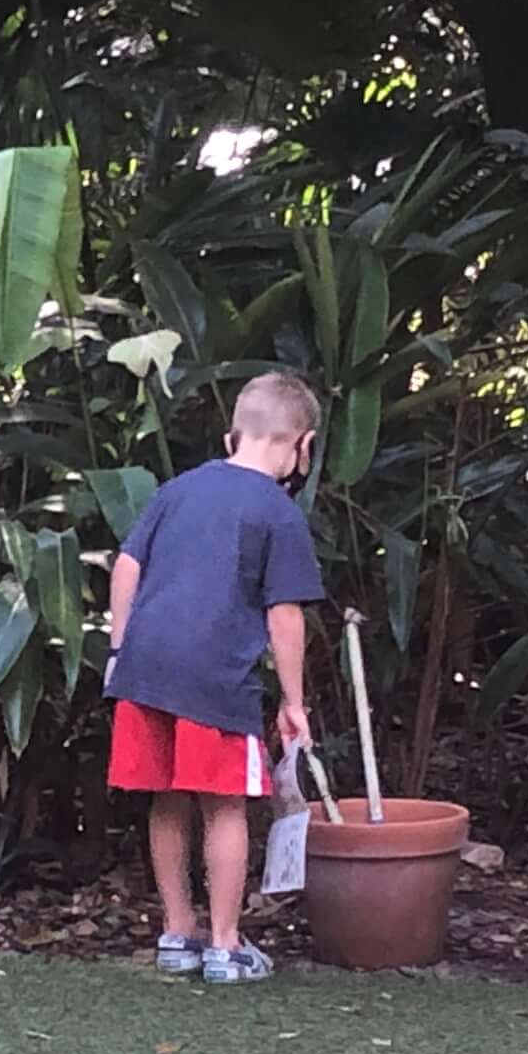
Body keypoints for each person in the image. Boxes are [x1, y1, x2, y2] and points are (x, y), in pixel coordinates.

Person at [104, 370, 326, 985]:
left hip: (144, 670)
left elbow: (126, 565)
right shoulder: (278, 513)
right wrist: (294, 700)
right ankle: (226, 945)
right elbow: (285, 616)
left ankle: (177, 932)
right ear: (301, 446)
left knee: (166, 797)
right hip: (215, 679)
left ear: (234, 435)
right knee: (225, 805)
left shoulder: (178, 490)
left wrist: (122, 648)